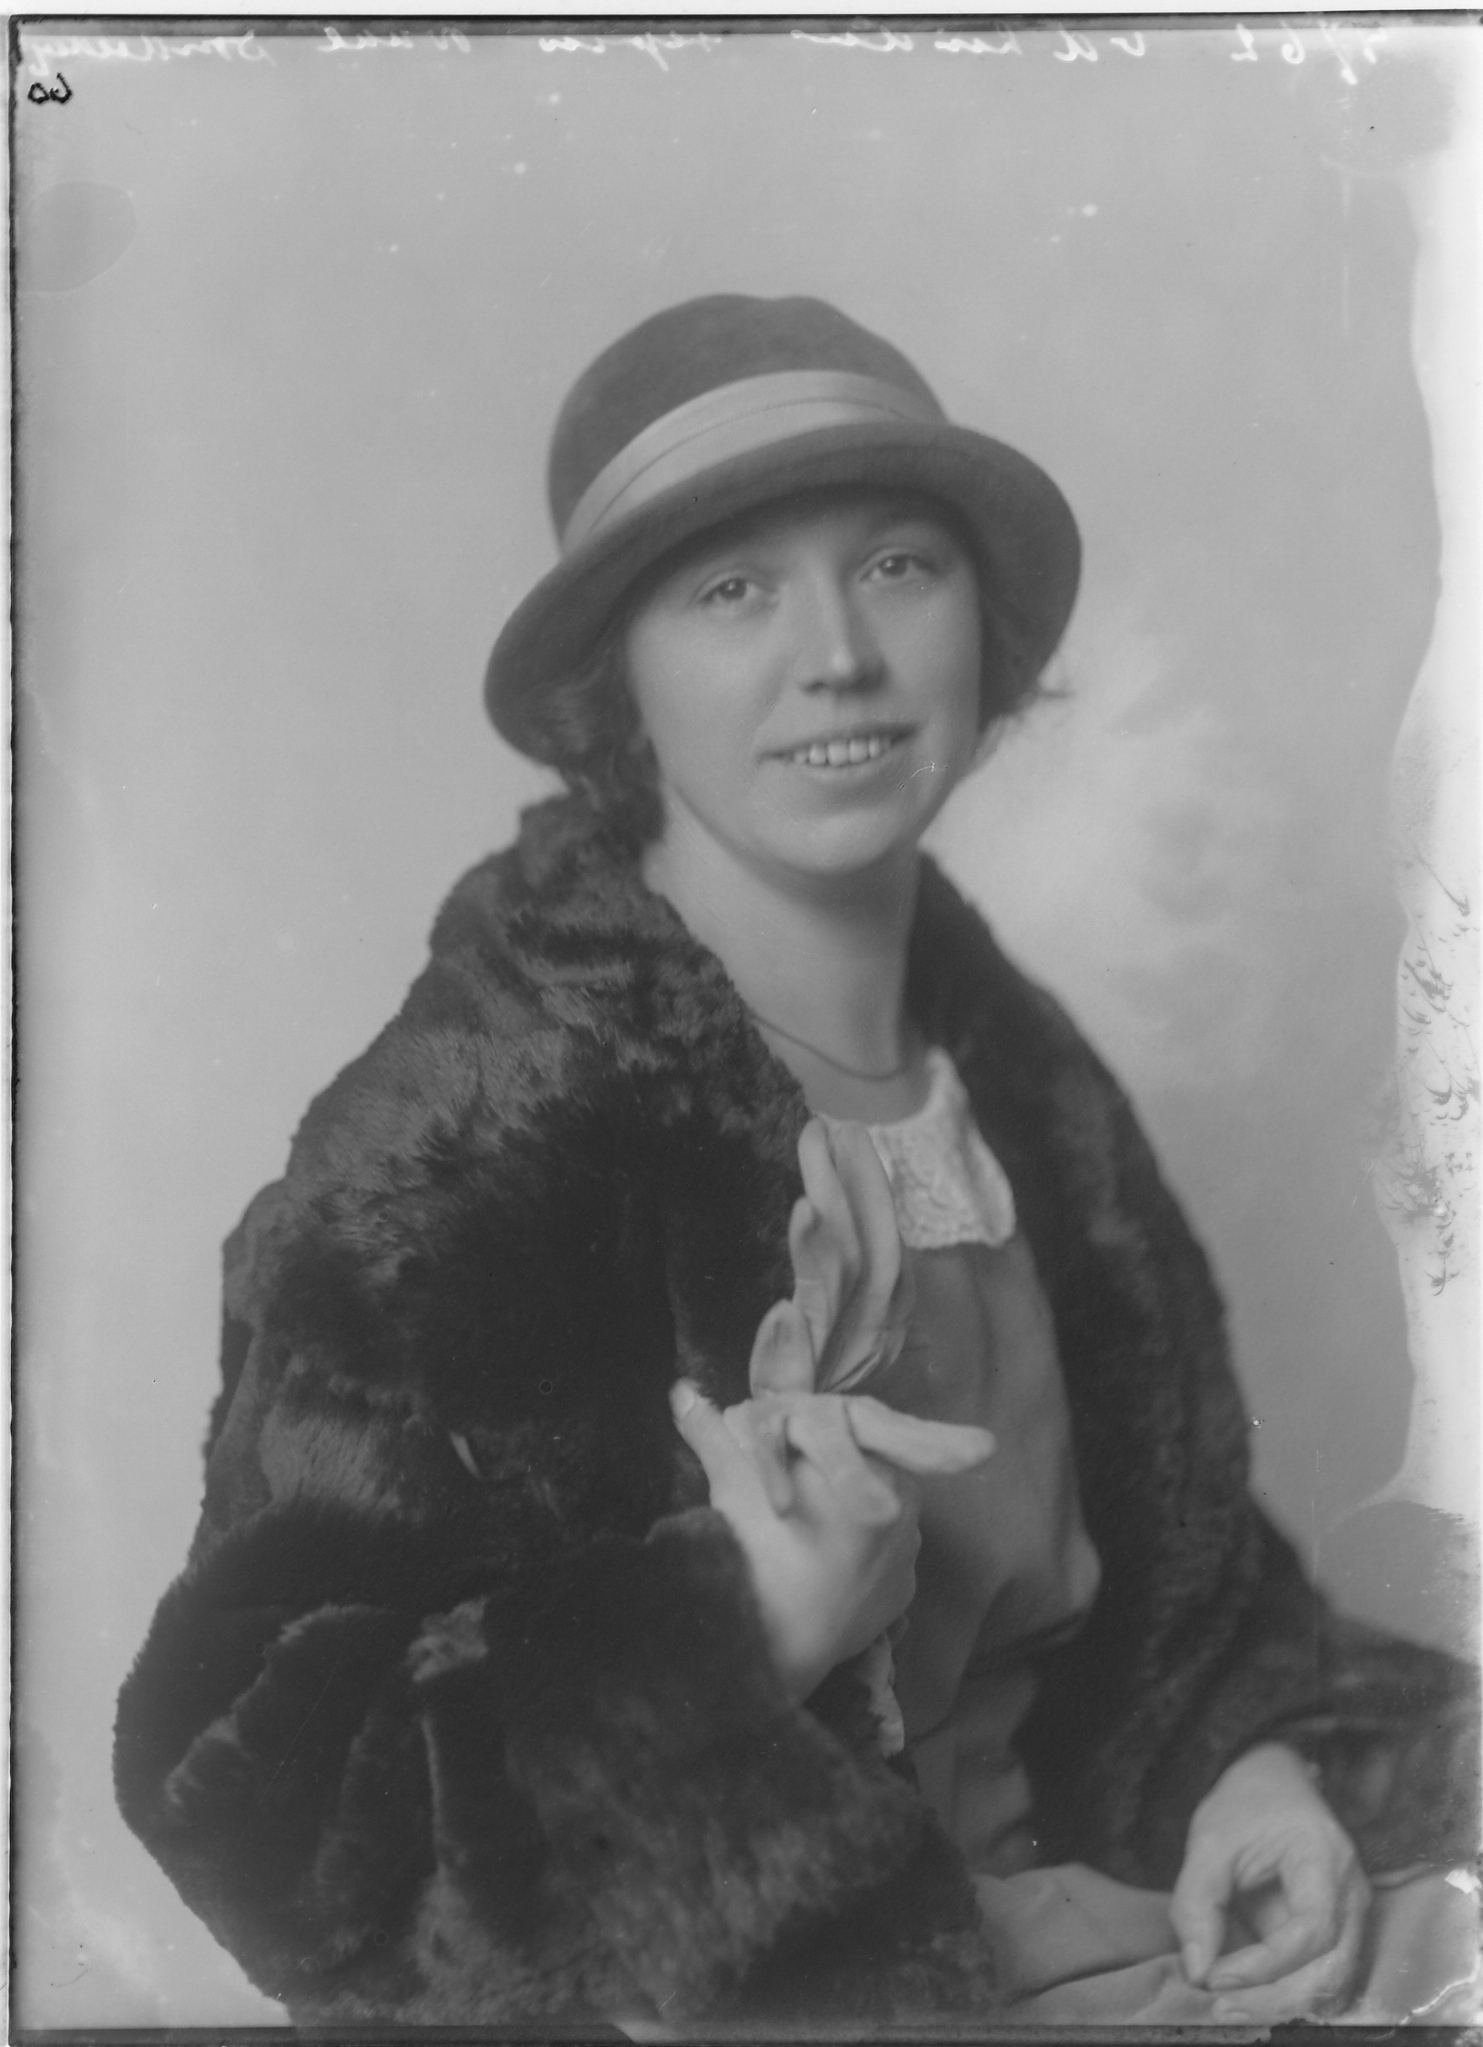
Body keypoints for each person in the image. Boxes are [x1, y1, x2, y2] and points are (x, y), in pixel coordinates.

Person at [114, 294, 1478, 2030]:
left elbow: (1187, 1612)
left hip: (1118, 1925)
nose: (839, 655)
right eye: (732, 590)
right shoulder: (473, 1128)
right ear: (620, 682)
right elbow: (262, 1810)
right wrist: (730, 1623)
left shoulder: (1021, 1086)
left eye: (898, 565)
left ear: (983, 624)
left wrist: (1252, 1770)